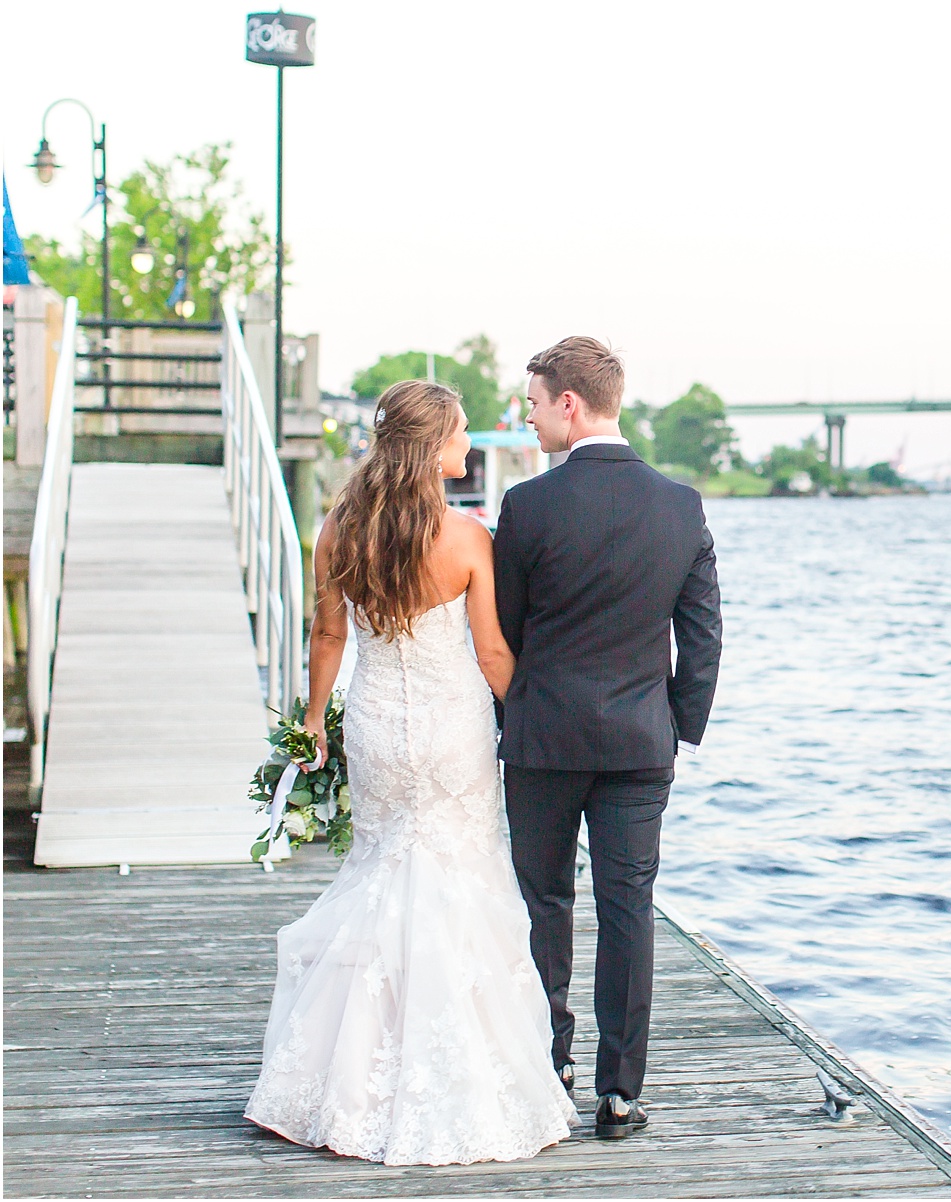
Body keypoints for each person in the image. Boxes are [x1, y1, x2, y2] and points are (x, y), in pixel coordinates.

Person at [244, 380, 578, 1165]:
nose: (468, 448)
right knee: (460, 882)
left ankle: (343, 1076)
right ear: (432, 448)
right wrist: (531, 723)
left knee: (384, 873)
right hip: (452, 729)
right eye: (461, 436)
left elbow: (327, 636)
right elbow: (493, 653)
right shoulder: (465, 538)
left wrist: (313, 727)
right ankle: (465, 1074)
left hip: (377, 731)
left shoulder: (339, 530)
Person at [495, 336, 722, 1140]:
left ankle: (545, 1064)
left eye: (532, 402)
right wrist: (676, 725)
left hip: (543, 741)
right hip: (637, 743)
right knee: (628, 910)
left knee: (544, 902)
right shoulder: (680, 504)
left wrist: (515, 712)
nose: (527, 418)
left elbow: (505, 630)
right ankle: (620, 1095)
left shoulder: (527, 508)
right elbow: (703, 638)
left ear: (569, 403)